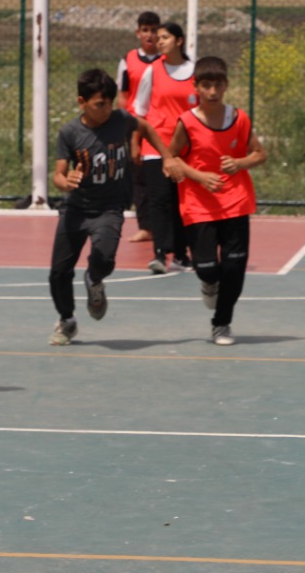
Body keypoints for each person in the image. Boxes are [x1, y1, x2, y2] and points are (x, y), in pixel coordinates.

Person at [47, 68, 172, 345]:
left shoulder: (121, 120)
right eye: (99, 104)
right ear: (82, 102)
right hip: (76, 209)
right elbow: (58, 174)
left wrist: (167, 157)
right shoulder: (70, 132)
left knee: (103, 259)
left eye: (109, 103)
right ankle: (67, 320)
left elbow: (147, 127)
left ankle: (94, 280)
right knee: (58, 272)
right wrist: (65, 181)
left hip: (110, 209)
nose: (106, 110)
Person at [164, 56, 266, 346]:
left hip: (236, 201)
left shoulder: (240, 118)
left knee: (235, 266)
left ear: (226, 86)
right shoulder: (186, 122)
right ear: (196, 87)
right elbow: (170, 159)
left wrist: (240, 162)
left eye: (217, 85)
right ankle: (209, 281)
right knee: (207, 267)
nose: (212, 91)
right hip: (199, 204)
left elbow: (260, 153)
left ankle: (221, 323)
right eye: (206, 85)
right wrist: (198, 176)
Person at [131, 20, 196, 274]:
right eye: (157, 38)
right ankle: (159, 254)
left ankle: (181, 254)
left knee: (181, 202)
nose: (159, 41)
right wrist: (135, 142)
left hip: (184, 150)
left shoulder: (194, 71)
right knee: (158, 201)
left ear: (179, 41)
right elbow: (140, 110)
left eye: (165, 37)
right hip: (155, 147)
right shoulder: (153, 70)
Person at [115, 10, 163, 244]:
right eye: (146, 30)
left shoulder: (169, 60)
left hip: (162, 125)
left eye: (154, 30)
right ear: (138, 33)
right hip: (136, 126)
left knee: (163, 175)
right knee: (139, 176)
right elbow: (123, 95)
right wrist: (124, 124)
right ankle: (146, 227)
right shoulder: (128, 59)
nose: (150, 35)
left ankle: (168, 225)